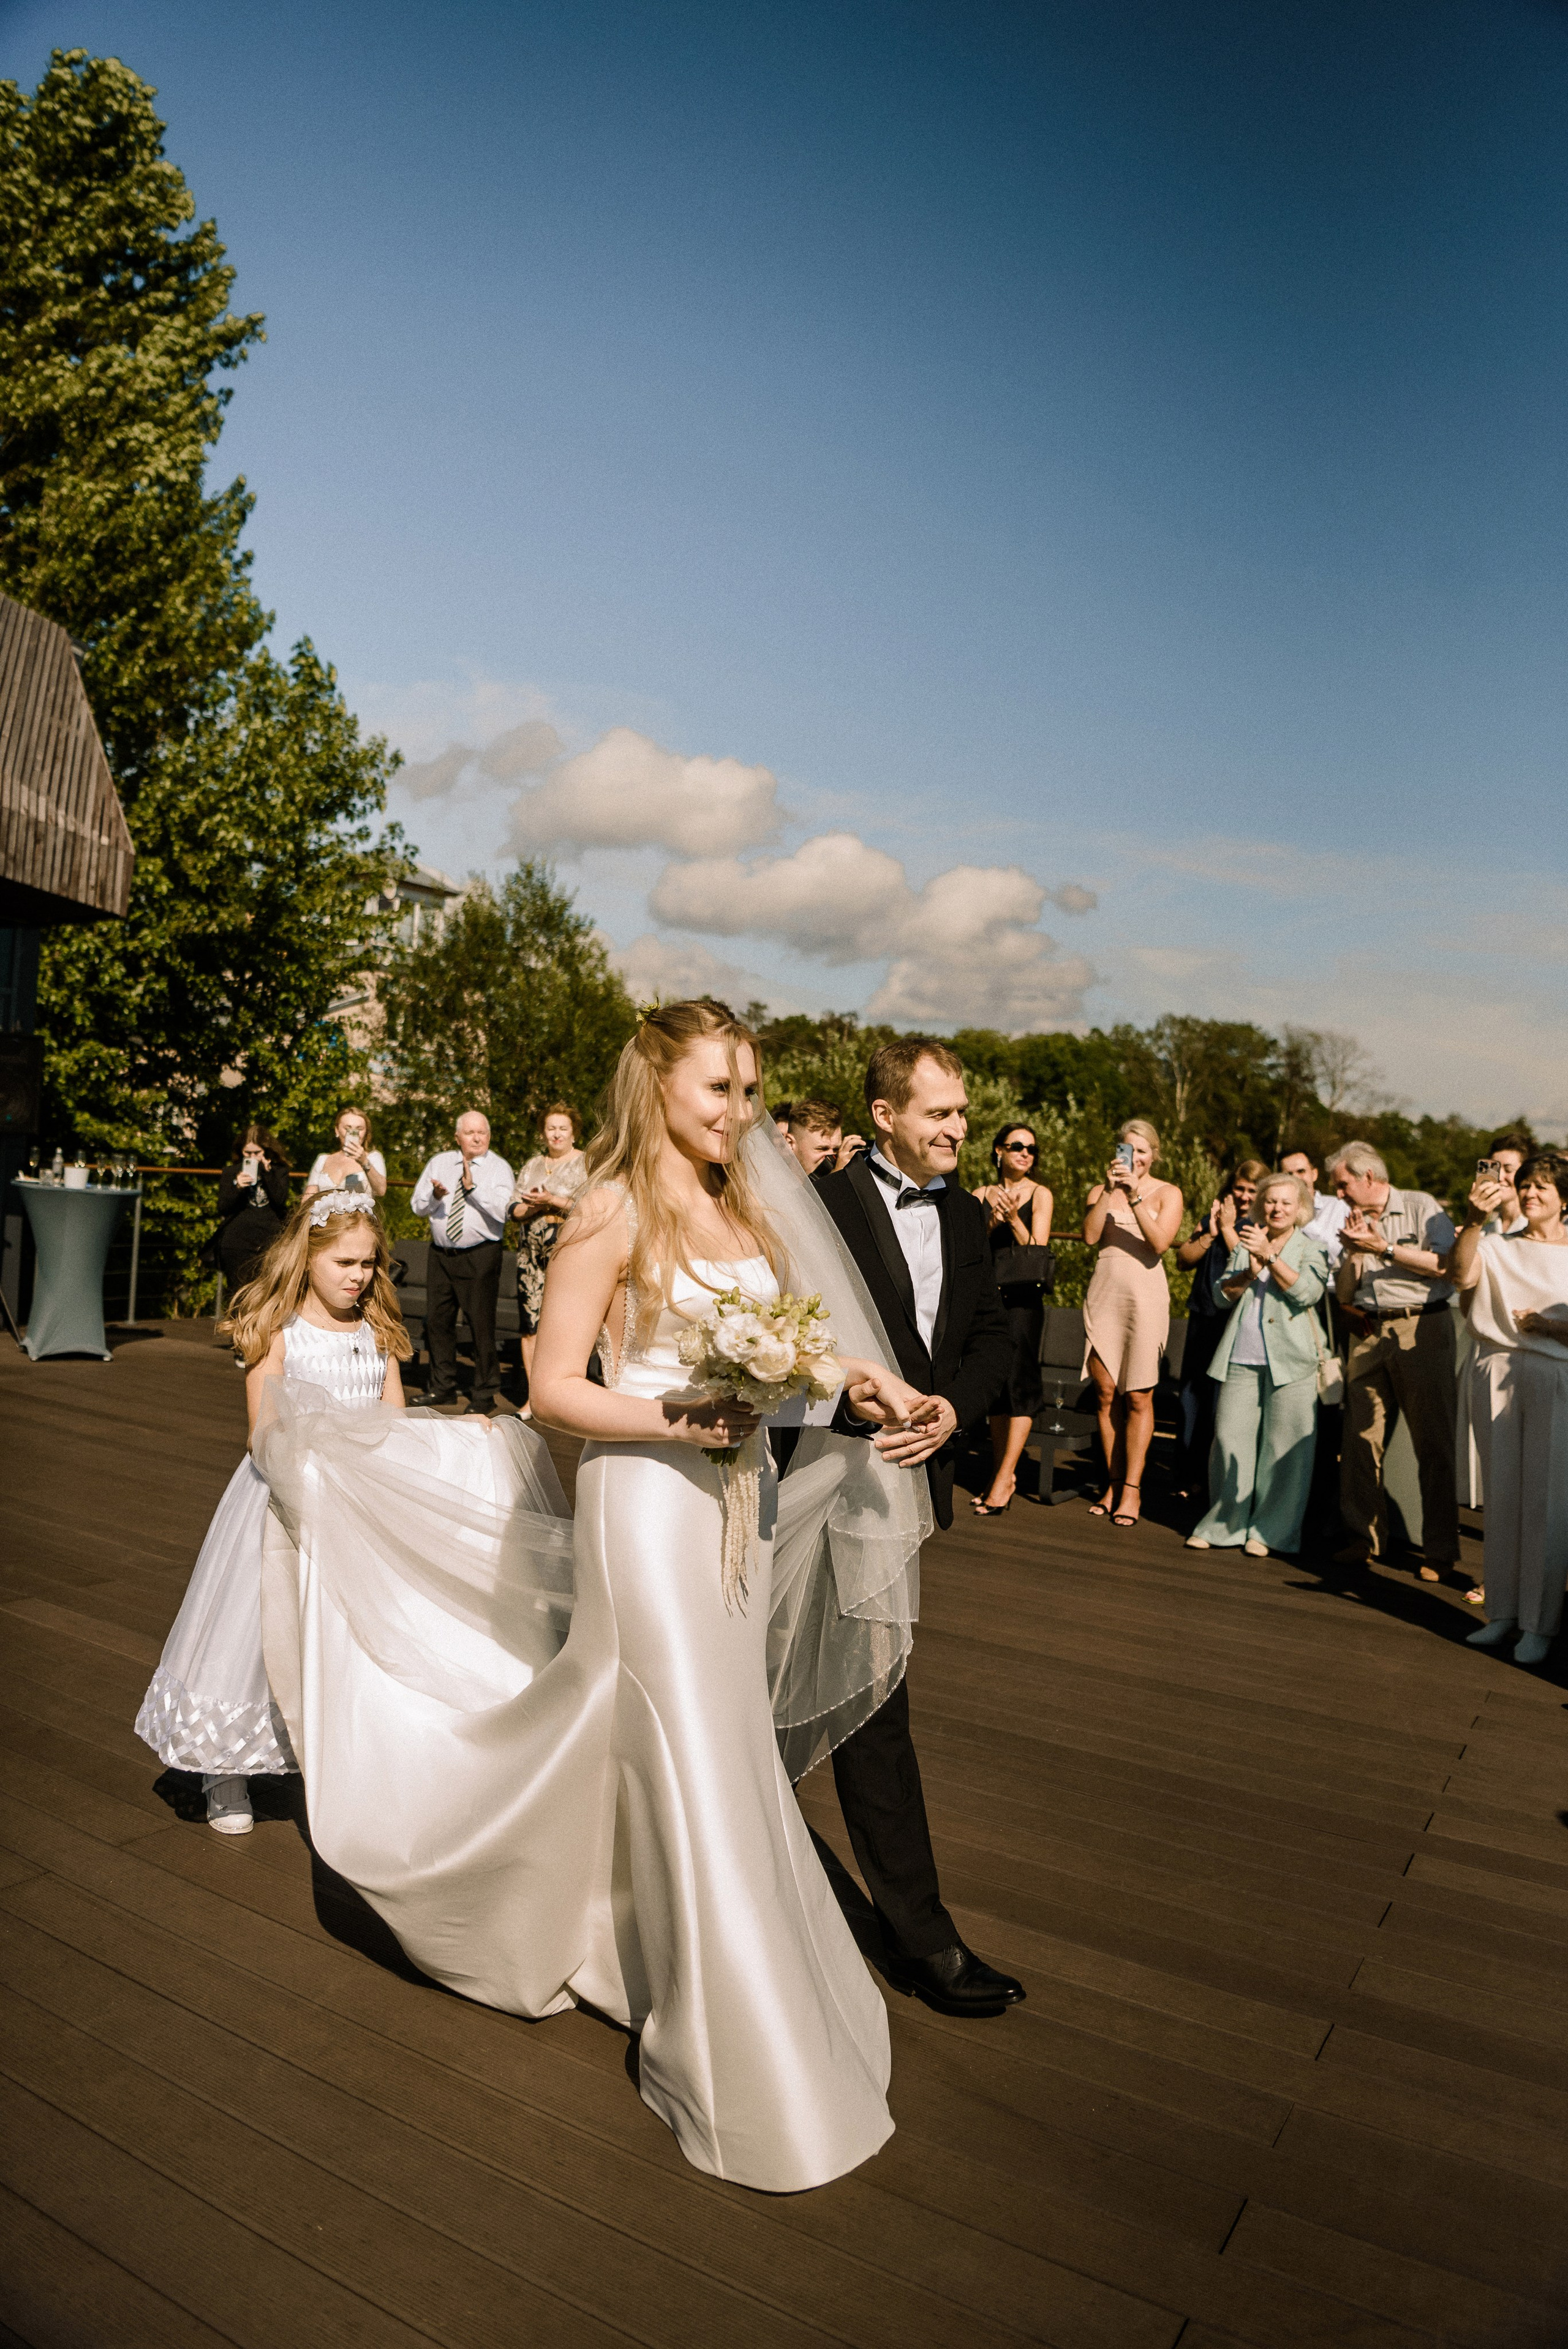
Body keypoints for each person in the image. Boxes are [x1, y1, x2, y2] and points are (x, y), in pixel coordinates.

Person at [259, 1000, 936, 2190]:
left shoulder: (745, 1206)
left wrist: (867, 1383)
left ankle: (624, 1931)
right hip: (646, 1506)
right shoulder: (609, 1207)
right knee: (681, 1731)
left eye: (747, 1091)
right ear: (656, 1088)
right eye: (716, 1090)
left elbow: (794, 1345)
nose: (738, 1113)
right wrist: (685, 1416)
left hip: (741, 1502)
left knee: (706, 1736)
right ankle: (731, 2047)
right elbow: (552, 1389)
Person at [813, 1038, 1023, 2018]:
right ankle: (922, 1938)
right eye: (938, 1112)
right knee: (838, 1702)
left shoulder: (968, 1213)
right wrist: (854, 1407)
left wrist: (953, 1408)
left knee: (870, 1698)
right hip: (802, 1483)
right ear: (884, 1113)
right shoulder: (818, 1202)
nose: (957, 1128)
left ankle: (911, 1931)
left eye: (963, 1113)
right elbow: (792, 1334)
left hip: (901, 1490)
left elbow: (990, 1336)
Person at [136, 1191, 409, 1834]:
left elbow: (395, 1418)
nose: (358, 1275)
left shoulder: (378, 1332)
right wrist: (315, 1464)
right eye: (344, 1261)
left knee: (336, 1632)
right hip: (284, 1497)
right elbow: (262, 1431)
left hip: (359, 1502)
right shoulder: (280, 1331)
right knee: (253, 1628)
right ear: (307, 1255)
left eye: (369, 1263)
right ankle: (224, 1768)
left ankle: (327, 1755)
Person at [1450, 1155, 1568, 1667]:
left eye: (1542, 1186)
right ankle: (1500, 1613)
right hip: (1497, 1371)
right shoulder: (1495, 1245)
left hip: (1554, 1374)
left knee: (1547, 1503)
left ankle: (1539, 1624)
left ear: (1565, 1199)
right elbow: (1457, 1276)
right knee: (1503, 1497)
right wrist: (1473, 1222)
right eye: (1525, 1186)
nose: (1531, 1193)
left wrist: (1550, 1328)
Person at [1328, 1141, 1460, 1578]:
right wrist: (1353, 1253)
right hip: (1368, 1329)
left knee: (1433, 1442)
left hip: (1421, 1327)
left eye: (1344, 1185)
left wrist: (1383, 1248)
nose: (1340, 1194)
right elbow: (1345, 1292)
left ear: (1369, 1177)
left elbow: (1445, 1265)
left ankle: (1440, 1551)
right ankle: (1364, 1537)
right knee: (1360, 1438)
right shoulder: (1352, 1219)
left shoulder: (1422, 1207)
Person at [1186, 1174, 1330, 1558]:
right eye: (1270, 1202)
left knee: (1285, 1451)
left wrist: (1269, 1257)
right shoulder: (1247, 1242)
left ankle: (1271, 1532)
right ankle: (1224, 1525)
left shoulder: (1313, 1248)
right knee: (1230, 1441)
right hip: (1241, 1356)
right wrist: (1249, 1271)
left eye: (1285, 1203)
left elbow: (1307, 1293)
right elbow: (1221, 1297)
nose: (1277, 1208)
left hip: (1293, 1361)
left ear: (1299, 1209)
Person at [1081, 1118, 1184, 1528]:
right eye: (1129, 1149)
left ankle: (1132, 1490)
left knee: (1139, 1396)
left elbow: (1160, 1244)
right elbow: (1090, 1237)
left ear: (1153, 1154)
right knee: (1106, 1393)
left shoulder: (1168, 1192)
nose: (1135, 1157)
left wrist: (1135, 1197)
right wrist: (1110, 1191)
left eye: (1142, 1151)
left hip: (1145, 1296)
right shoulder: (1099, 1190)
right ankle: (1112, 1480)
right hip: (1105, 1292)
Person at [971, 1124, 1054, 1516]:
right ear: (998, 1151)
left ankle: (1005, 1477)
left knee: (1019, 1384)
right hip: (988, 1298)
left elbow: (1038, 1252)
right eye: (1016, 1146)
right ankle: (999, 1473)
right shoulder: (977, 1194)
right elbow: (971, 1249)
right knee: (995, 1386)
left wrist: (1014, 1219)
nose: (1025, 1153)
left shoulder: (1041, 1194)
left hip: (1022, 1301)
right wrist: (992, 1220)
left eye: (1032, 1149)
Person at [1173, 1161, 1267, 1504]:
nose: (1243, 1196)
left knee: (1219, 1405)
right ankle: (1187, 1475)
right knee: (1191, 1399)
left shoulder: (1262, 1225)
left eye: (1251, 1191)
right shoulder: (1217, 1214)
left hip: (1233, 1323)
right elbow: (1184, 1259)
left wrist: (1228, 1229)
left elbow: (1246, 1265)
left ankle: (1212, 1480)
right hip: (1202, 1315)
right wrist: (1212, 1230)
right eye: (1239, 1188)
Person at [409, 1110, 514, 1413]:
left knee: (481, 1326)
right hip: (441, 1255)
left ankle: (484, 1395)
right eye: (470, 1133)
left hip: (480, 1256)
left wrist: (473, 1190)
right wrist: (436, 1196)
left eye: (483, 1132)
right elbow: (418, 1206)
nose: (478, 1138)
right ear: (458, 1137)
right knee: (439, 1323)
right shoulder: (440, 1162)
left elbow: (504, 1212)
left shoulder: (499, 1168)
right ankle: (442, 1388)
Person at [509, 1103, 588, 1412]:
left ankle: (566, 1395)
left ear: (573, 1132)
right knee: (530, 1325)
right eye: (551, 1128)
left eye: (562, 1128)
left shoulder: (585, 1163)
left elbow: (591, 1208)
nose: (556, 1134)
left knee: (566, 1324)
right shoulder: (532, 1165)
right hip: (530, 1254)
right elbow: (513, 1210)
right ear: (543, 1133)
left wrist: (550, 1201)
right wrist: (532, 1207)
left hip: (567, 1250)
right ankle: (535, 1397)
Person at [214, 1125, 292, 1291]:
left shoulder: (279, 1172)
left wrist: (267, 1173)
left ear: (267, 1151)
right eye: (248, 1153)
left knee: (269, 1292)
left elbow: (280, 1201)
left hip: (271, 1240)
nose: (252, 1157)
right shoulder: (231, 1172)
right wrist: (237, 1187)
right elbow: (223, 1208)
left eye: (257, 1153)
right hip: (238, 1241)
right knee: (238, 1293)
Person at [1278, 1145, 1348, 1266]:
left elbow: (1337, 1257)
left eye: (1301, 1171)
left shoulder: (1338, 1207)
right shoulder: (1276, 1213)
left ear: (1314, 1174)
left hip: (1329, 1283)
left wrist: (1303, 1220)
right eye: (1288, 1174)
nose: (1295, 1178)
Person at [302, 1106, 387, 1202]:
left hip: (359, 1216)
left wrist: (364, 1162)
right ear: (337, 1130)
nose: (353, 1133)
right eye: (348, 1128)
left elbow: (381, 1191)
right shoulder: (323, 1159)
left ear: (366, 1132)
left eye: (359, 1129)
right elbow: (308, 1197)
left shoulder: (373, 1157)